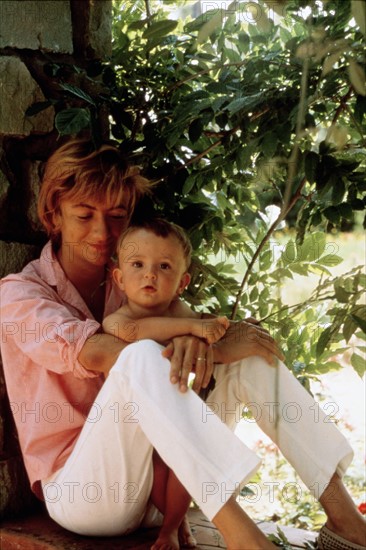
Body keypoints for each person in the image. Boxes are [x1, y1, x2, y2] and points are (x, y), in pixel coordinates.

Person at [0, 138, 365, 550]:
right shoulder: (19, 295)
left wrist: (207, 342)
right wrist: (195, 339)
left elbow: (199, 340)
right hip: (86, 496)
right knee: (139, 354)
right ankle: (244, 537)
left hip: (167, 490)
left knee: (250, 357)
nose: (103, 232)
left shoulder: (139, 286)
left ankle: (345, 521)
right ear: (54, 215)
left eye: (117, 216)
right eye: (84, 215)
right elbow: (97, 353)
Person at [102, 218, 230, 549]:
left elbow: (211, 336)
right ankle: (176, 522)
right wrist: (194, 329)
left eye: (163, 266)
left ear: (182, 281)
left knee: (179, 464)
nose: (150, 274)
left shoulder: (180, 311)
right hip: (128, 430)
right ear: (118, 278)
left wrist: (198, 331)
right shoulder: (118, 319)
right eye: (138, 264)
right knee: (157, 473)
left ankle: (170, 527)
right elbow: (134, 335)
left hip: (173, 414)